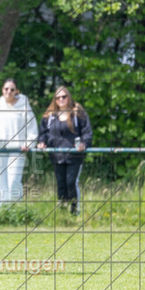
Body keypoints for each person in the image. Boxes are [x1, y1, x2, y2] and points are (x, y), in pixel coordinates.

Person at [37, 86, 92, 214]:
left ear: (69, 97)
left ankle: (74, 212)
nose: (61, 99)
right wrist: (42, 142)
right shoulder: (49, 116)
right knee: (61, 184)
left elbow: (87, 132)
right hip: (56, 156)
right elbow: (43, 133)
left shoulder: (78, 113)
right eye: (58, 98)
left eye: (64, 97)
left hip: (74, 156)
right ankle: (62, 213)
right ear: (54, 100)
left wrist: (84, 143)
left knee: (71, 183)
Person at [0, 79, 38, 205]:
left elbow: (32, 127)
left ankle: (16, 208)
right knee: (2, 181)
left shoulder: (24, 106)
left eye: (12, 89)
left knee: (14, 180)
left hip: (17, 149)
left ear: (17, 91)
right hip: (0, 148)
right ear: (2, 90)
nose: (9, 92)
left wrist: (28, 143)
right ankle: (3, 209)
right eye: (6, 89)